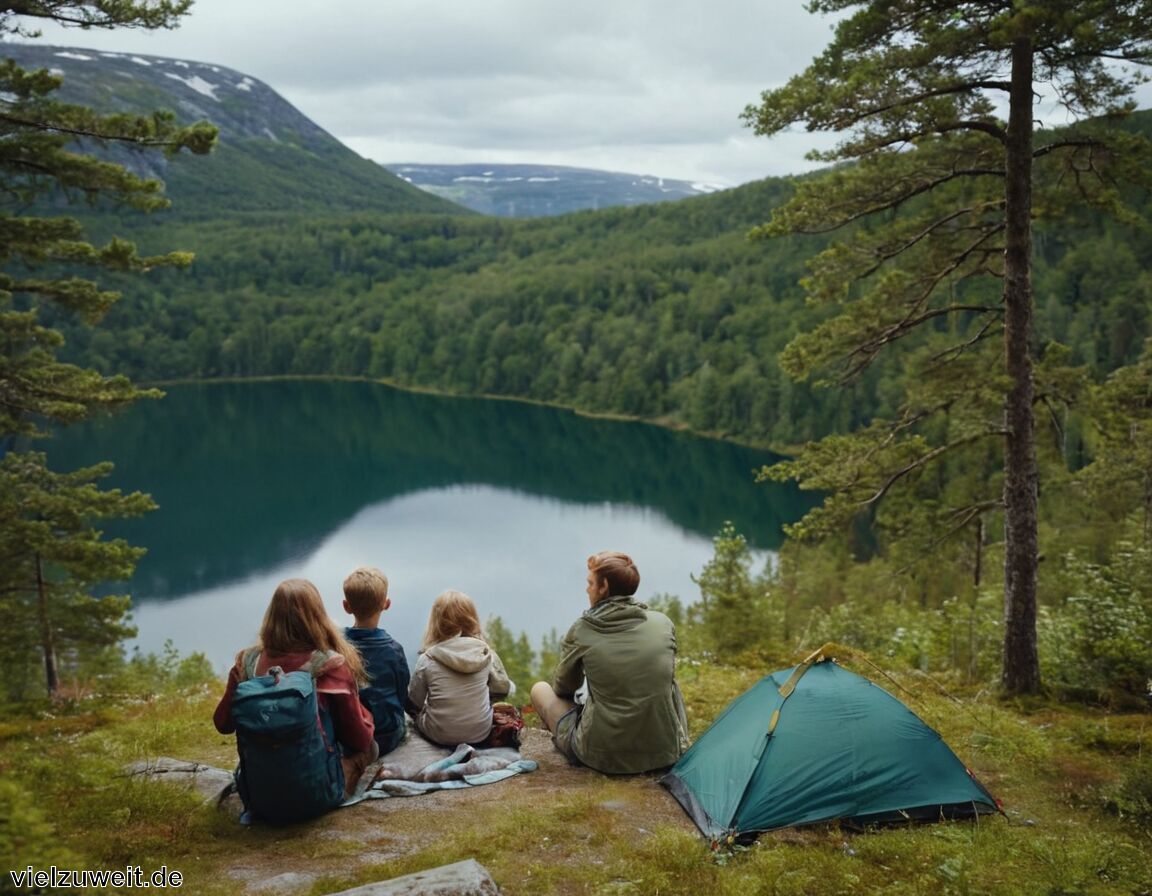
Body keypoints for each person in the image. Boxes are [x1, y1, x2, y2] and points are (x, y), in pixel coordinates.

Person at [214, 578, 378, 800]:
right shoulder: (329, 666)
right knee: (370, 749)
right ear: (317, 615)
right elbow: (359, 739)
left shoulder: (247, 663)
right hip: (317, 793)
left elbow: (223, 724)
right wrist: (366, 716)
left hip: (258, 794)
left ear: (272, 615)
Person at [530, 551, 688, 774]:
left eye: (590, 583)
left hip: (602, 756)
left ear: (604, 587)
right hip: (665, 752)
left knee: (540, 690)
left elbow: (564, 688)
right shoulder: (662, 623)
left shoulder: (582, 630)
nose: (587, 589)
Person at [407, 589, 512, 746]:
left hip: (437, 734)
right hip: (480, 733)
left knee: (414, 717)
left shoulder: (427, 659)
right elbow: (502, 689)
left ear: (435, 623)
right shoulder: (485, 654)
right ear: (472, 620)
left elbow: (414, 702)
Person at [342, 566, 410, 756]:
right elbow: (401, 694)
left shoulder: (337, 647)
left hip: (350, 738)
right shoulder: (394, 650)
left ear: (346, 606)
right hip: (388, 736)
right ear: (386, 604)